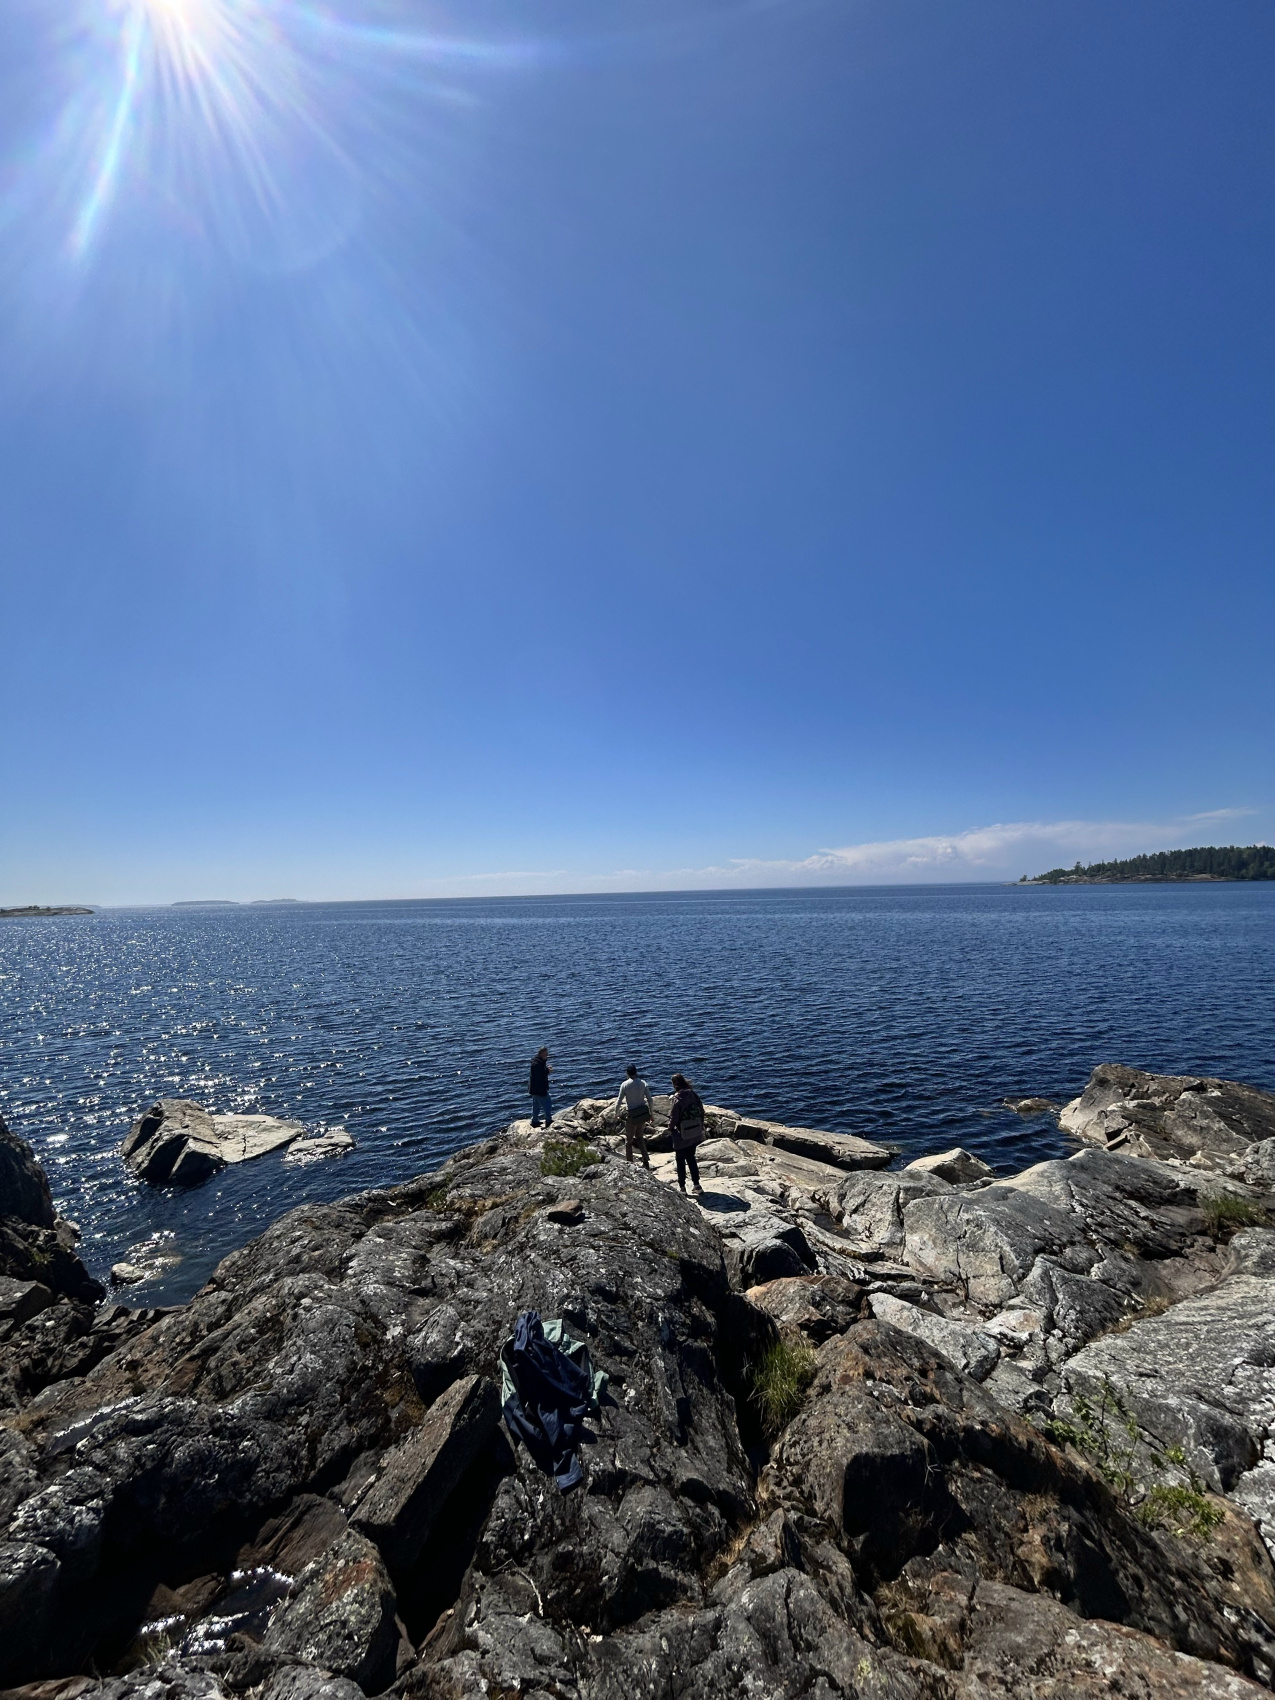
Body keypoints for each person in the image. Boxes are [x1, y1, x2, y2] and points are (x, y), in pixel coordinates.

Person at [668, 1071, 706, 1196]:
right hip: (694, 1132)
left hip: (682, 1134)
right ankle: (697, 1185)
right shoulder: (693, 1094)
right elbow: (701, 1110)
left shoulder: (677, 1099)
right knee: (691, 1158)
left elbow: (674, 1118)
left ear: (674, 1084)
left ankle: (682, 1188)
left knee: (680, 1161)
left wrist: (670, 1128)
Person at [613, 1064, 654, 1166]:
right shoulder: (643, 1083)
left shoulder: (625, 1084)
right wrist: (651, 1113)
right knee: (640, 1137)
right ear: (636, 1072)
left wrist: (616, 1113)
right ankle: (645, 1160)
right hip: (642, 1114)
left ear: (627, 1073)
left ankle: (629, 1163)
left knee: (629, 1140)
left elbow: (619, 1101)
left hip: (631, 1115)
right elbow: (650, 1099)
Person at [529, 1047, 554, 1128]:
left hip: (534, 1089)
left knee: (536, 1105)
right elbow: (539, 1075)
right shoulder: (537, 1064)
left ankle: (534, 1121)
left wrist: (546, 1069)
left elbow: (540, 1071)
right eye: (546, 1054)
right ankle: (548, 1121)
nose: (547, 1055)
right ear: (541, 1054)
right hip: (539, 1088)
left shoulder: (538, 1061)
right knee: (548, 1103)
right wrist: (547, 1071)